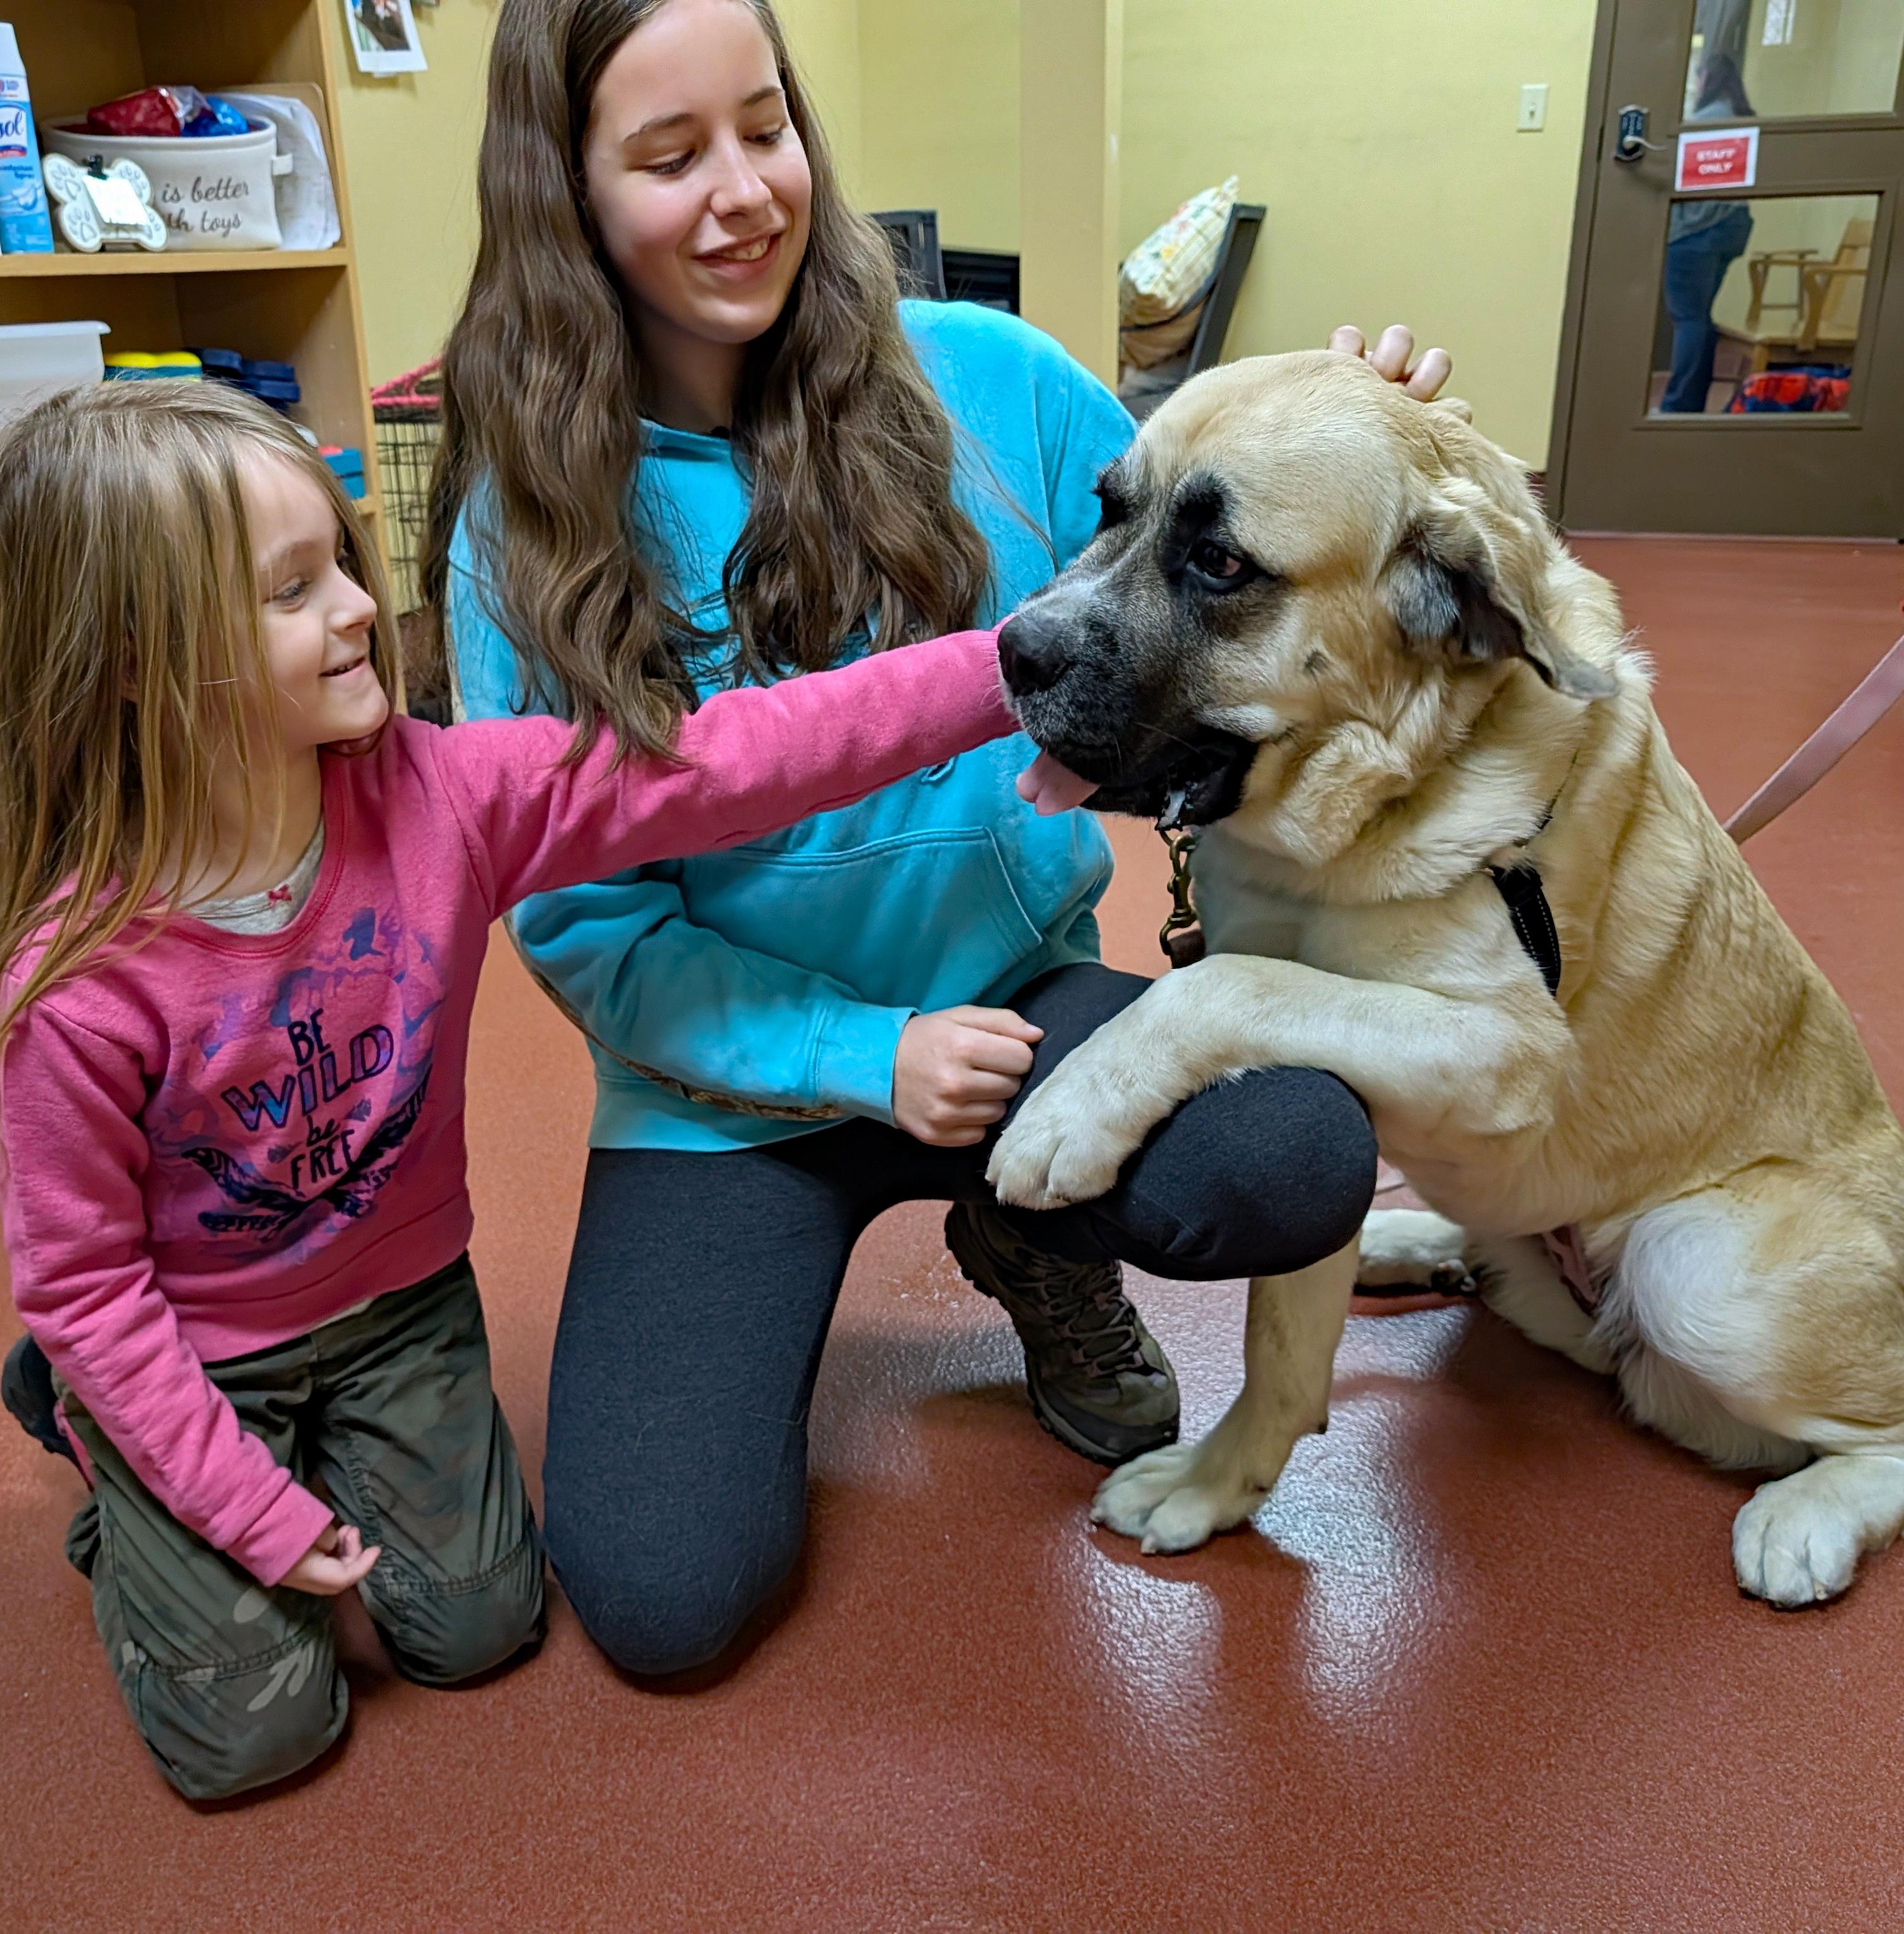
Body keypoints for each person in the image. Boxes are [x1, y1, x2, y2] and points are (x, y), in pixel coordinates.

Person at [428, 0, 1451, 1678]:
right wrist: (860, 1054)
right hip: (724, 1096)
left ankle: (1031, 1236)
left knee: (1287, 1152)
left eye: (765, 127)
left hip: (1009, 1021)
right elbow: (579, 926)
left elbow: (1216, 551)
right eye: (670, 156)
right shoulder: (522, 526)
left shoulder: (978, 378)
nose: (744, 192)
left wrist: (1357, 451)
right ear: (565, 193)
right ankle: (954, 1190)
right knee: (664, 1601)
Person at [0, 380, 1028, 1799]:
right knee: (259, 1735)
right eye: (291, 593)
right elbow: (89, 1286)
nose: (358, 610)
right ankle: (101, 1438)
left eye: (341, 562)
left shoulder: (439, 794)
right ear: (131, 663)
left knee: (476, 1631)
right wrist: (240, 1508)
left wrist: (1011, 666)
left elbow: (730, 759)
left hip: (396, 1309)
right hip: (192, 1339)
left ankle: (260, 1456)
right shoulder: (76, 981)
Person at [1660, 50, 1756, 414]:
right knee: (1700, 317)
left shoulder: (1702, 123)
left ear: (1707, 80)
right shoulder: (1743, 120)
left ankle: (1679, 405)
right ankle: (1692, 401)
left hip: (1696, 234)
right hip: (1732, 231)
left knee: (1689, 318)